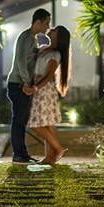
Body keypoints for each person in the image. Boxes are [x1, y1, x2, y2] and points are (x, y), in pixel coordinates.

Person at [6, 7, 51, 163]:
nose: (48, 27)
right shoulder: (26, 36)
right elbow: (20, 60)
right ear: (38, 22)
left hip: (21, 83)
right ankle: (18, 154)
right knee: (18, 120)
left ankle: (22, 153)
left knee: (21, 120)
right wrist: (26, 82)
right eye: (46, 23)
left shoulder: (32, 38)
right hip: (18, 84)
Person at [27, 25, 71, 164]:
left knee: (34, 123)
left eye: (54, 30)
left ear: (59, 36)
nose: (51, 30)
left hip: (43, 90)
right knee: (47, 124)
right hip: (42, 88)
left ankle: (58, 148)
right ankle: (49, 157)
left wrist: (34, 88)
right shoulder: (46, 49)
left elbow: (48, 76)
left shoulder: (54, 54)